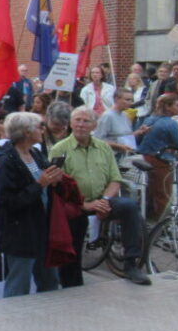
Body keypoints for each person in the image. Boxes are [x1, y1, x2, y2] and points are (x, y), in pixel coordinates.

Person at [50, 107, 151, 286]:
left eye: (86, 121)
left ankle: (131, 263)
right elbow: (58, 187)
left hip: (102, 199)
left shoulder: (103, 148)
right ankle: (71, 281)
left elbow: (115, 179)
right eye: (77, 120)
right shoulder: (60, 149)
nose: (81, 125)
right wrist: (85, 205)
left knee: (129, 206)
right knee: (74, 229)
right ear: (71, 123)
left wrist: (104, 201)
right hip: (74, 204)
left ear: (94, 125)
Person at [0, 112, 63, 297]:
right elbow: (9, 201)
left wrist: (54, 180)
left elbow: (46, 183)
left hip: (41, 228)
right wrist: (39, 185)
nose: (43, 130)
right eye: (39, 127)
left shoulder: (35, 153)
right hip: (20, 233)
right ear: (26, 132)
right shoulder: (8, 161)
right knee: (19, 285)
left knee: (50, 280)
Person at [138, 93, 178, 218]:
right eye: (177, 105)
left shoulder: (151, 118)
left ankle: (147, 216)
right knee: (163, 193)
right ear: (168, 107)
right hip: (160, 160)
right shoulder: (170, 123)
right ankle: (162, 224)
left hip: (145, 157)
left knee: (149, 190)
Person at [93, 88, 149, 156]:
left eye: (131, 100)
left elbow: (125, 138)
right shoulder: (107, 116)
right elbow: (97, 140)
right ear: (116, 99)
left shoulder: (125, 115)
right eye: (127, 100)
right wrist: (118, 146)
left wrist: (139, 132)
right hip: (110, 156)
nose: (130, 103)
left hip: (124, 156)